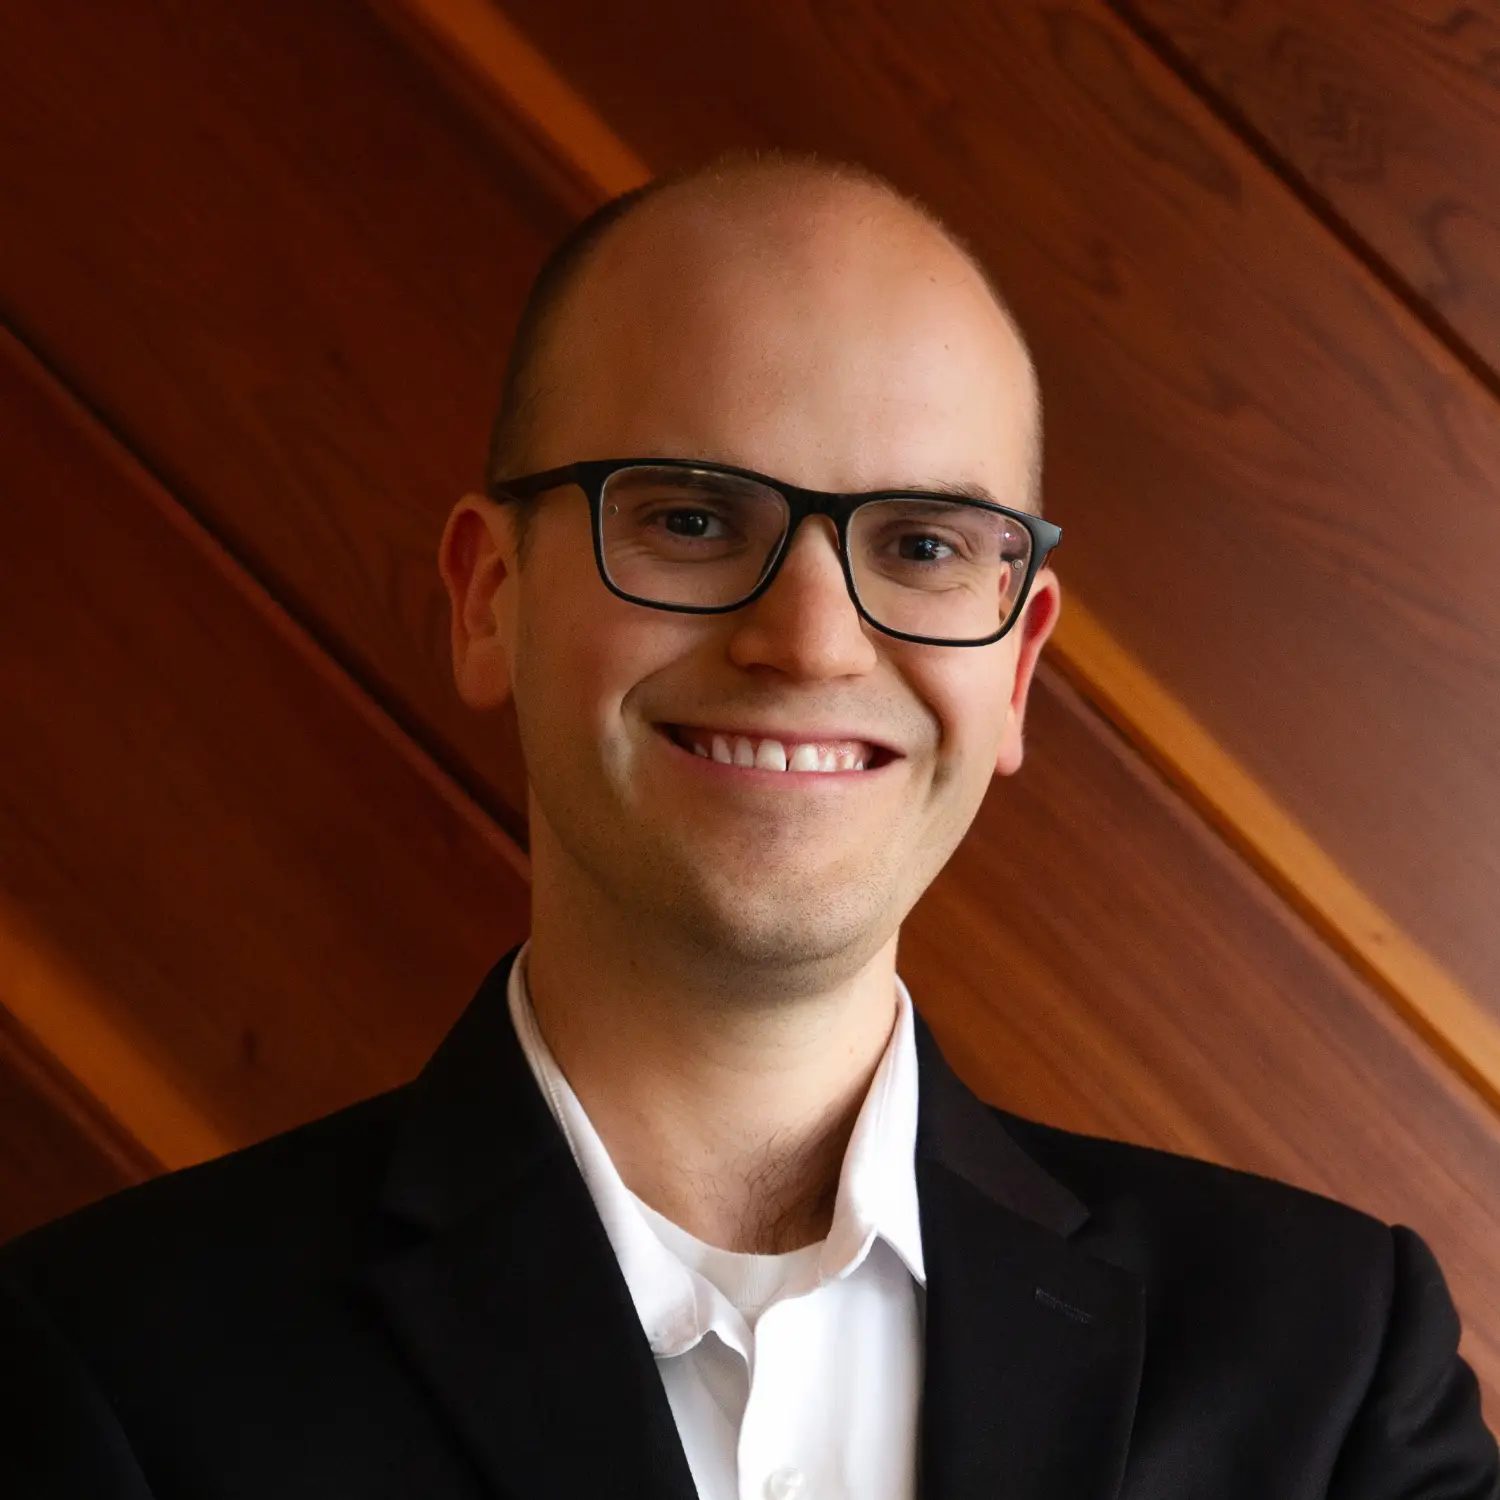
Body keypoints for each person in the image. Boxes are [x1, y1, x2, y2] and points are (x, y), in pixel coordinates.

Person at [1, 152, 1495, 1500]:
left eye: (919, 544)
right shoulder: (102, 1378)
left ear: (1018, 663)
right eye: (693, 519)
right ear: (487, 601)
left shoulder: (1334, 1373)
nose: (811, 641)